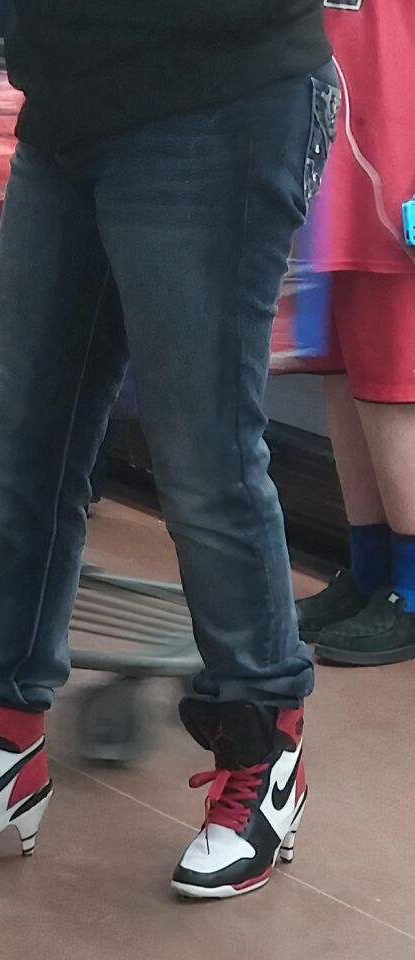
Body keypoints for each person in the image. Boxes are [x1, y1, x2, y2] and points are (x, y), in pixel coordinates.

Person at [0, 2, 337, 899]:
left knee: (203, 452)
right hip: (65, 105)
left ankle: (265, 750)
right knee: (25, 446)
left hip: (220, 97)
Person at [296, 1, 415, 666]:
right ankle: (370, 568)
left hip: (399, 172)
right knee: (343, 375)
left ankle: (413, 587)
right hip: (331, 167)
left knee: (393, 383)